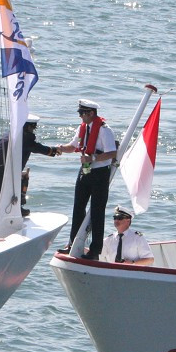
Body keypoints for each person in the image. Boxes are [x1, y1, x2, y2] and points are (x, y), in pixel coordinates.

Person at [0, 114, 63, 237]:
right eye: (32, 128)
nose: (33, 130)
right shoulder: (24, 138)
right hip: (0, 174)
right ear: (27, 127)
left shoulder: (10, 133)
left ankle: (19, 208)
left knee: (23, 178)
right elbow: (38, 148)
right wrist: (54, 150)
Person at [64, 99, 118, 259]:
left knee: (97, 210)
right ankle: (73, 243)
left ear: (91, 113)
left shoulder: (104, 130)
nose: (80, 116)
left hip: (100, 173)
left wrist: (92, 158)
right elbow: (73, 146)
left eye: (83, 113)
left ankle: (95, 250)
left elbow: (111, 153)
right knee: (78, 207)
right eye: (80, 113)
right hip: (85, 170)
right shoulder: (83, 128)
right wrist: (58, 149)